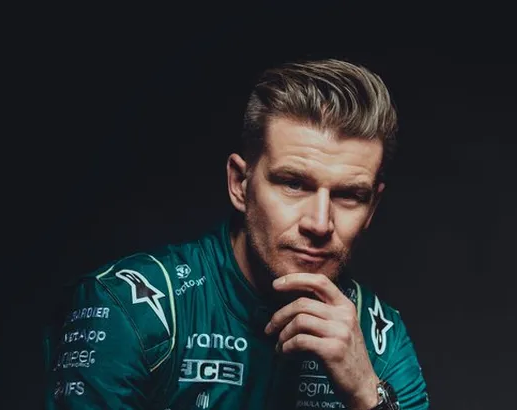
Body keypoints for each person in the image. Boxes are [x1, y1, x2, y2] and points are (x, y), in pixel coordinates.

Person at [43, 58, 429, 409]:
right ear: (240, 184)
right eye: (293, 184)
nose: (319, 223)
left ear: (372, 207)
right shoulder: (129, 308)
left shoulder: (378, 336)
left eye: (349, 195)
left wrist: (367, 394)